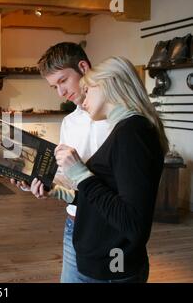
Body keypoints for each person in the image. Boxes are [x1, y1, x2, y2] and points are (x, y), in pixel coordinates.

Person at [54, 56, 168, 282]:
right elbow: (108, 198)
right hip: (101, 261)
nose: (83, 98)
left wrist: (80, 173)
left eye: (88, 90)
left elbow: (132, 222)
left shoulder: (132, 132)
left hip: (112, 265)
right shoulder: (128, 130)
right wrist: (56, 192)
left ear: (108, 84)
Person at [11, 42, 111, 282]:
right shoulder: (69, 123)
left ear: (83, 67)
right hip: (74, 223)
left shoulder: (118, 119)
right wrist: (44, 183)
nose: (61, 92)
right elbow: (69, 178)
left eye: (63, 81)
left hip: (111, 228)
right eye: (54, 86)